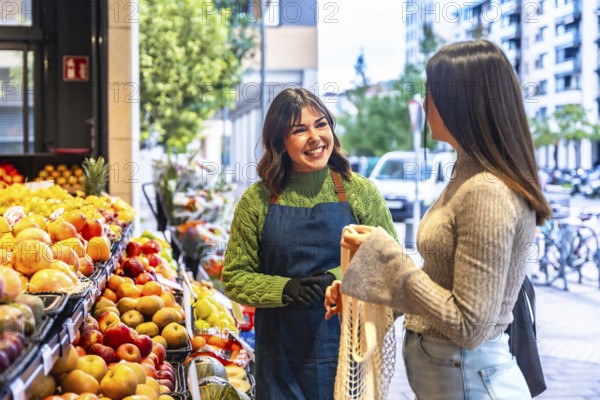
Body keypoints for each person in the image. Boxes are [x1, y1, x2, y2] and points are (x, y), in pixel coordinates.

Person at [325, 39, 552, 399]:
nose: (424, 103)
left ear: (460, 101)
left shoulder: (486, 191)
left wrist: (386, 260)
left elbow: (468, 325)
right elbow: (440, 286)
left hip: (469, 381)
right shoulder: (467, 173)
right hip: (459, 378)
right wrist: (365, 287)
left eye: (430, 92)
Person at [222, 87, 397, 399]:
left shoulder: (359, 192)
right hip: (280, 364)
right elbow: (235, 278)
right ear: (279, 142)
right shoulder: (257, 201)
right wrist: (286, 289)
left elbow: (389, 262)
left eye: (321, 124)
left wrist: (337, 278)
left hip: (348, 359)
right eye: (299, 130)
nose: (315, 137)